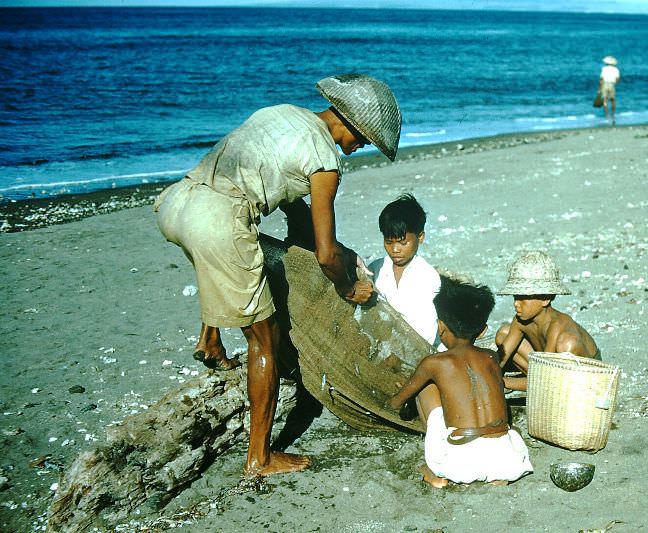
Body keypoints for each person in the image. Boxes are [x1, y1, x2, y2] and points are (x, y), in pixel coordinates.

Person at [154, 73, 402, 477]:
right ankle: (260, 457)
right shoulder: (326, 162)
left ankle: (210, 340)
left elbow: (291, 208)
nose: (358, 150)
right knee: (264, 341)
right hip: (219, 221)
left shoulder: (284, 115)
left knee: (231, 261)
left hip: (179, 203)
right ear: (354, 125)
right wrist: (347, 284)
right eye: (365, 140)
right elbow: (325, 253)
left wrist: (312, 247)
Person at [389, 276, 533, 488]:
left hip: (459, 463)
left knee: (425, 387)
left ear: (440, 327)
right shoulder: (491, 357)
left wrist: (403, 395)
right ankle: (494, 475)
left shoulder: (434, 362)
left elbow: (396, 403)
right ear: (482, 330)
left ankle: (435, 474)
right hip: (507, 460)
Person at [494, 251, 600, 391]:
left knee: (567, 344)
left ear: (545, 299)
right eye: (515, 297)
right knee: (504, 333)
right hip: (548, 367)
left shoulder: (557, 325)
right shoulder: (520, 321)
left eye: (523, 297)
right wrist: (489, 372)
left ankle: (528, 383)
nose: (516, 303)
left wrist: (503, 383)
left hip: (585, 377)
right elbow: (501, 358)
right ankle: (528, 380)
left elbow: (547, 379)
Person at [368, 193, 440, 347]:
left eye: (403, 242)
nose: (395, 250)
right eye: (388, 242)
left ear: (420, 237)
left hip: (419, 349)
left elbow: (426, 331)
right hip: (384, 344)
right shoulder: (376, 269)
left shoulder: (427, 277)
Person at [598, 55, 620, 125]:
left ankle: (607, 118)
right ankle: (613, 116)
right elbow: (617, 79)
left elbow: (601, 79)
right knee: (613, 100)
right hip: (612, 85)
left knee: (605, 101)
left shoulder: (604, 69)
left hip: (605, 85)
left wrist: (599, 88)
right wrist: (614, 83)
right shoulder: (616, 69)